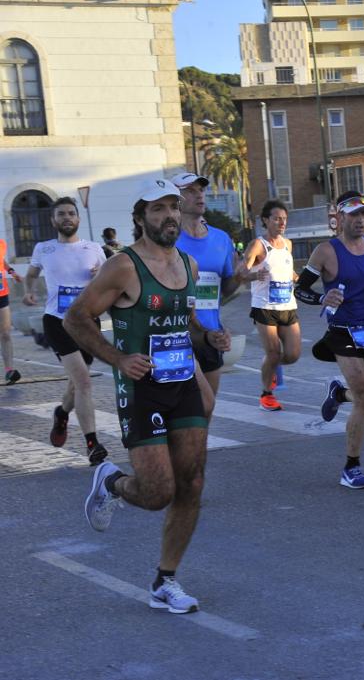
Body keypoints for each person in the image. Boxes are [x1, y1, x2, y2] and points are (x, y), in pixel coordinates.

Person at [69, 178, 227, 614]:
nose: (169, 216)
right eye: (158, 209)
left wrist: (210, 334)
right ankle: (111, 481)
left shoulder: (189, 266)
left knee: (192, 483)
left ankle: (166, 580)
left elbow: (187, 318)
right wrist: (118, 359)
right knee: (157, 493)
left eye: (173, 207)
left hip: (182, 388)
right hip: (141, 391)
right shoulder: (123, 266)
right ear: (140, 218)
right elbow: (76, 318)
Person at [296, 191, 364, 489]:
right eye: (354, 214)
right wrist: (321, 297)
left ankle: (340, 395)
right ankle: (351, 467)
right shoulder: (326, 251)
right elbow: (299, 290)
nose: (361, 220)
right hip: (342, 330)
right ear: (339, 218)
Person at [22, 197, 109, 464]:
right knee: (83, 380)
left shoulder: (94, 248)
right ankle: (92, 444)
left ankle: (61, 413)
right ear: (53, 220)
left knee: (76, 384)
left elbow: (108, 280)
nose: (67, 218)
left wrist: (99, 276)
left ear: (78, 219)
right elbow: (31, 275)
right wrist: (28, 292)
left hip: (87, 321)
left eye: (71, 213)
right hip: (57, 321)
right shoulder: (44, 248)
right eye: (61, 214)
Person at [170, 172, 239, 399]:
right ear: (175, 198)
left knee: (206, 412)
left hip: (210, 335)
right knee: (189, 410)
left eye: (200, 190)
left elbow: (226, 291)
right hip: (175, 336)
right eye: (190, 190)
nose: (198, 195)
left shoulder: (221, 239)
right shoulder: (166, 239)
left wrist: (240, 278)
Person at [242, 200, 300, 411]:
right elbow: (241, 271)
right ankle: (266, 395)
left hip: (288, 306)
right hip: (264, 307)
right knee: (274, 351)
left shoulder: (288, 244)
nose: (281, 223)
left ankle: (269, 367)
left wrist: (294, 276)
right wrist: (255, 274)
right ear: (265, 220)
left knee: (293, 354)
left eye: (284, 219)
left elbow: (283, 267)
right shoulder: (258, 245)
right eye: (276, 218)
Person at [1, 238, 22, 385]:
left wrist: (11, 271)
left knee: (6, 334)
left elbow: (1, 260)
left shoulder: (1, 243)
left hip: (1, 294)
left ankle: (9, 371)